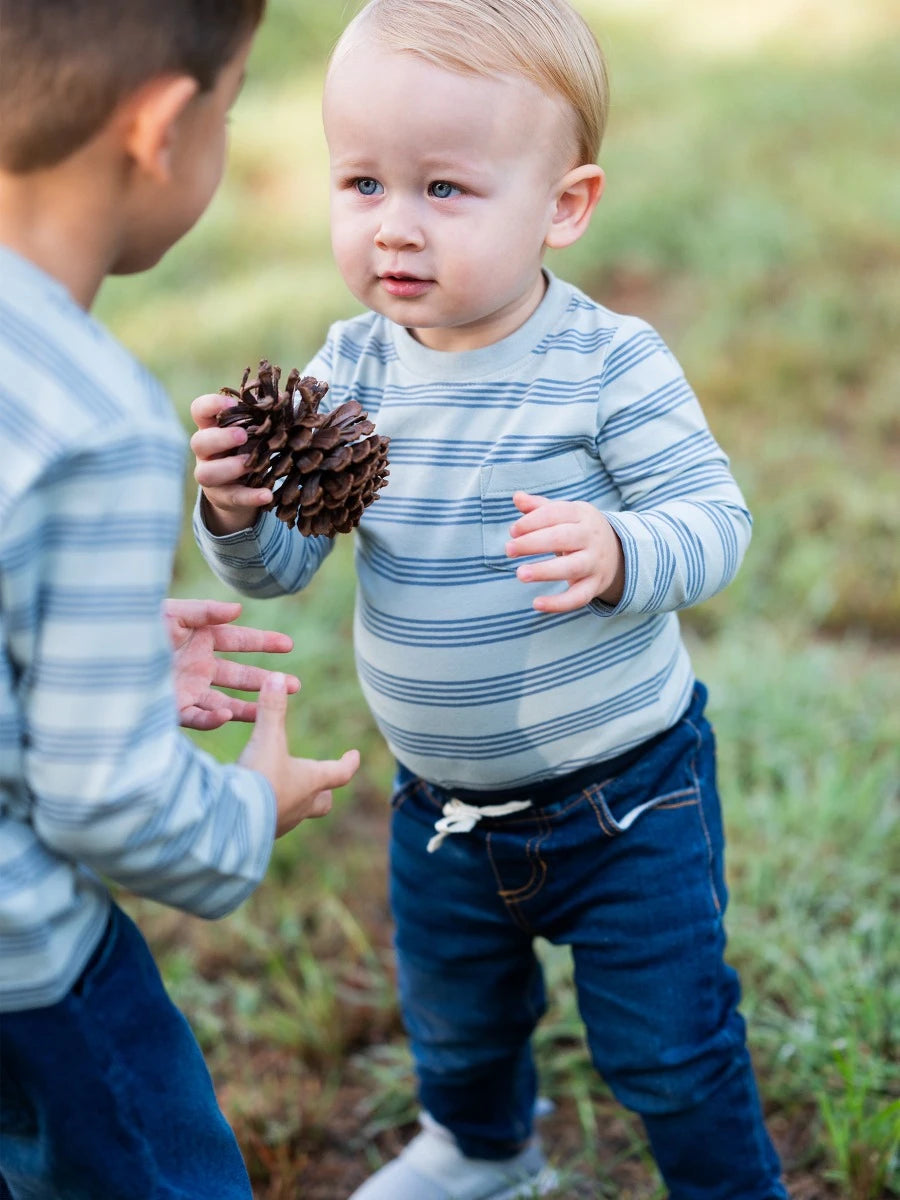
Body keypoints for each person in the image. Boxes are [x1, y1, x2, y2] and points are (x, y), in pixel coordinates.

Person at [191, 0, 788, 1196]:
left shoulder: (609, 363)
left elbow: (717, 527)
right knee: (456, 1021)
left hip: (630, 801)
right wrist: (237, 517)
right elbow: (290, 569)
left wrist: (622, 550)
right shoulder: (347, 368)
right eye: (361, 183)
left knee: (669, 1046)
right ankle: (483, 1146)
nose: (392, 230)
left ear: (565, 205)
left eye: (445, 190)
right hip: (446, 808)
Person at [0, 2, 361, 1198]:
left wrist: (68, 651)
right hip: (33, 978)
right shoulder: (95, 422)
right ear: (161, 128)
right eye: (238, 97)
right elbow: (105, 801)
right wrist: (247, 810)